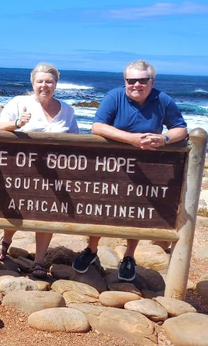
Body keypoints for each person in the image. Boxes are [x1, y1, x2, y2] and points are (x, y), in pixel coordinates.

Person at [72, 60, 187, 282]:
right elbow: (97, 126)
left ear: (152, 81)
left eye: (142, 80)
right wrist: (130, 139)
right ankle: (92, 250)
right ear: (124, 81)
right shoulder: (114, 97)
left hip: (146, 168)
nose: (136, 84)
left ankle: (129, 256)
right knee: (100, 209)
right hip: (111, 166)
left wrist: (163, 138)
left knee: (136, 213)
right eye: (131, 80)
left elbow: (180, 129)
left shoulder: (163, 100)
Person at [0, 62, 79, 277]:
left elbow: (78, 140)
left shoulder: (67, 110)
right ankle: (5, 241)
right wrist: (18, 122)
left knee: (47, 213)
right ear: (33, 83)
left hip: (55, 171)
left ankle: (39, 261)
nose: (44, 85)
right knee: (16, 207)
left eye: (49, 82)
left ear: (56, 84)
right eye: (40, 81)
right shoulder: (19, 102)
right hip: (22, 169)